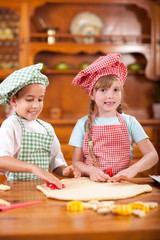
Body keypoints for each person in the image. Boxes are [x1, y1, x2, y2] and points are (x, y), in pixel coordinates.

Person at [69, 53, 159, 183]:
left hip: (121, 184)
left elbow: (153, 156)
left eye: (116, 90)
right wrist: (90, 170)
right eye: (103, 90)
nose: (110, 95)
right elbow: (76, 162)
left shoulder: (130, 122)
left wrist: (132, 170)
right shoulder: (82, 124)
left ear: (121, 93)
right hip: (91, 184)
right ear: (92, 94)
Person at [0, 64, 80, 188]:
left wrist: (65, 171)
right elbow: (2, 160)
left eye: (40, 99)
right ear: (13, 100)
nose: (36, 105)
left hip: (42, 189)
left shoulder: (47, 128)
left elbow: (56, 164)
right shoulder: (10, 125)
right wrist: (33, 168)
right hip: (17, 189)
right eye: (29, 99)